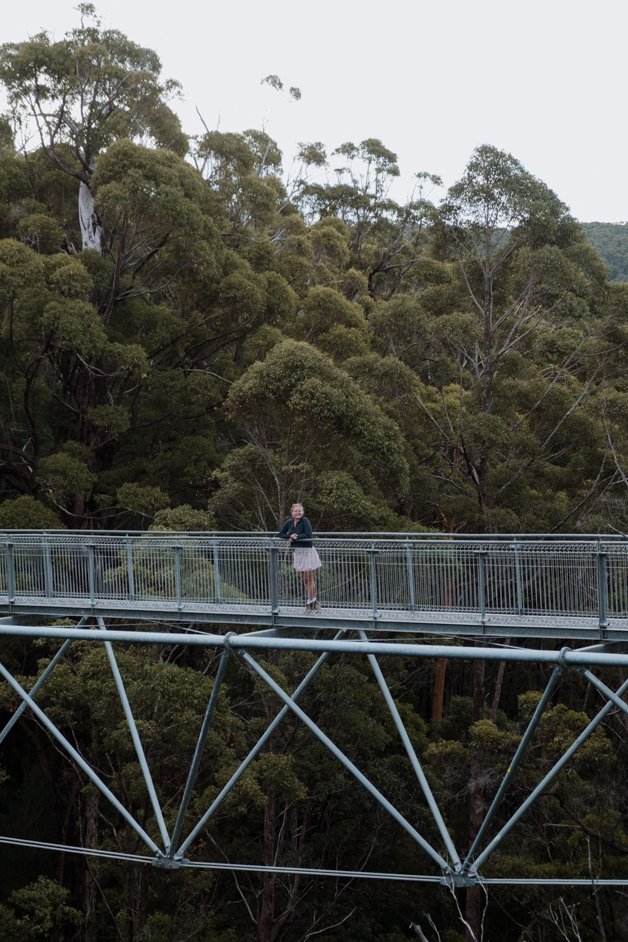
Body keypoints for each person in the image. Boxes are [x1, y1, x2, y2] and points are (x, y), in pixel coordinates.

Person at [277, 502, 322, 611]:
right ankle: (313, 602)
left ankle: (311, 602)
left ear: (303, 512)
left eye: (300, 511)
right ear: (292, 512)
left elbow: (308, 534)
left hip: (307, 552)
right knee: (304, 579)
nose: (298, 513)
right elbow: (280, 534)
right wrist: (290, 536)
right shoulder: (289, 522)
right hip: (297, 553)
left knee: (309, 578)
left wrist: (296, 537)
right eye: (296, 511)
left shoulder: (305, 521)